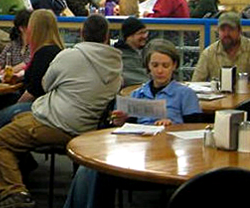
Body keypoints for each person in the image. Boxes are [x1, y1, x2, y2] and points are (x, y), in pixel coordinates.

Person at [0, 15, 121, 208]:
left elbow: (46, 84)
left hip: (55, 122)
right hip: (88, 127)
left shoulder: (69, 56)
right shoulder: (116, 64)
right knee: (17, 118)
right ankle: (21, 171)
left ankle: (15, 193)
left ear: (82, 33)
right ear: (107, 36)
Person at [64, 39, 202, 208]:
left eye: (165, 66)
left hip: (170, 155)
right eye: (155, 65)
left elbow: (197, 131)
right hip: (138, 151)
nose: (160, 70)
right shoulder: (138, 93)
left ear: (174, 66)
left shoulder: (185, 94)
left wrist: (174, 125)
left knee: (95, 173)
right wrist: (120, 121)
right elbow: (128, 129)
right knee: (90, 169)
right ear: (148, 66)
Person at [0, 9, 65, 186]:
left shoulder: (44, 53)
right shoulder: (52, 51)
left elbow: (33, 91)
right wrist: (19, 77)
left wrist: (14, 107)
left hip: (39, 105)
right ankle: (20, 162)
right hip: (46, 103)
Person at [192, 11, 250, 81]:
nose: (226, 34)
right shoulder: (209, 53)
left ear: (239, 31)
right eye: (223, 30)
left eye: (231, 30)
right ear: (218, 31)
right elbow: (196, 82)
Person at [114, 16, 149, 86]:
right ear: (129, 37)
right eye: (140, 33)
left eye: (145, 32)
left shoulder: (147, 51)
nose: (144, 36)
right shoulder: (120, 57)